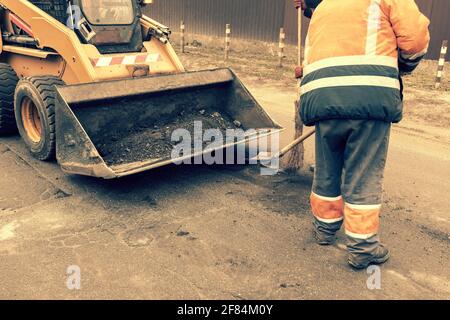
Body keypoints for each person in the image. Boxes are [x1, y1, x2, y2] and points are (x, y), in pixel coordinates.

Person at [293, 0, 430, 269]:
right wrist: (400, 65)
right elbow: (414, 40)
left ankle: (324, 230)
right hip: (368, 93)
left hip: (321, 96)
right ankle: (363, 248)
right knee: (363, 173)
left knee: (327, 169)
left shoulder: (324, 7)